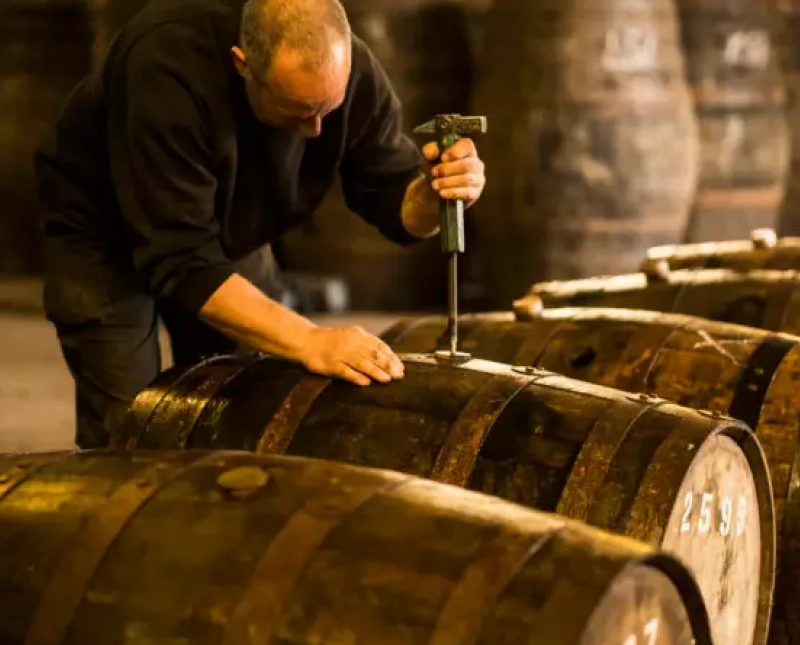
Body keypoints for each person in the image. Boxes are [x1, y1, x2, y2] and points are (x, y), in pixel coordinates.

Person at [34, 0, 486, 449]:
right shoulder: (166, 65)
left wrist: (432, 193)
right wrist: (312, 340)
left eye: (326, 111)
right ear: (242, 65)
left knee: (242, 410)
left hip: (228, 229)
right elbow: (179, 259)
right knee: (130, 427)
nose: (313, 130)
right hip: (103, 230)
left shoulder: (352, 74)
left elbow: (394, 203)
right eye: (297, 110)